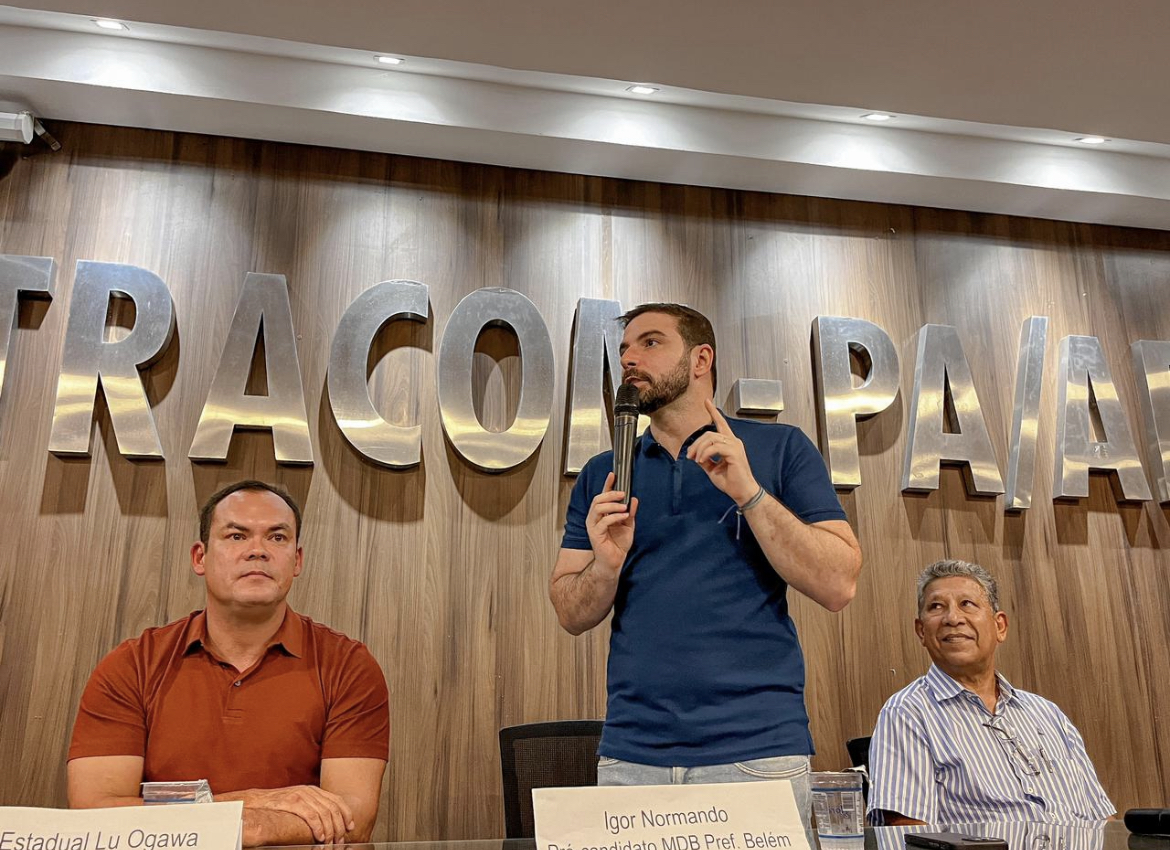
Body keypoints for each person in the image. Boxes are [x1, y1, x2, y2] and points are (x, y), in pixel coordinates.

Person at [549, 302, 862, 817]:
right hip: (633, 756)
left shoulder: (779, 448)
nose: (628, 358)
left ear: (701, 359)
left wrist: (750, 494)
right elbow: (569, 612)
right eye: (624, 349)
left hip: (757, 752)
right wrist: (605, 565)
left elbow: (839, 583)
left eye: (650, 342)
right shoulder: (604, 473)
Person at [68, 480, 390, 846]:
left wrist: (251, 825)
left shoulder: (348, 666)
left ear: (297, 560)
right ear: (200, 557)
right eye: (237, 536)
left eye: (277, 538)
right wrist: (247, 807)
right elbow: (94, 813)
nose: (258, 551)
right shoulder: (132, 665)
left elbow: (354, 821)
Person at [867, 559, 1114, 826]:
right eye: (936, 607)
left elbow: (1103, 820)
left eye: (967, 604)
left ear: (1000, 626)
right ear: (921, 632)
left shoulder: (1048, 714)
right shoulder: (907, 712)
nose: (952, 618)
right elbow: (905, 831)